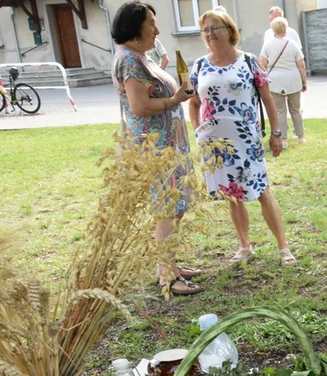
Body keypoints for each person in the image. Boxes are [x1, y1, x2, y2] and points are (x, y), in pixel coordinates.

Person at [188, 8, 298, 267]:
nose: (210, 34)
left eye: (215, 28)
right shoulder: (200, 65)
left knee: (262, 192)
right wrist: (198, 130)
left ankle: (283, 247)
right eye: (205, 30)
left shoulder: (248, 61)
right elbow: (193, 102)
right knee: (232, 195)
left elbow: (268, 100)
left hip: (246, 139)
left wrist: (276, 133)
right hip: (214, 144)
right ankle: (244, 245)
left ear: (230, 31)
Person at [110, 1, 202, 295]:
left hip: (170, 145)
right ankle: (168, 278)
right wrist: (175, 100)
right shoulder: (129, 61)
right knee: (166, 209)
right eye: (151, 23)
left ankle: (169, 266)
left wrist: (179, 96)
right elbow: (139, 106)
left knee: (174, 208)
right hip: (157, 150)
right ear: (135, 28)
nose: (157, 30)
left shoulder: (141, 57)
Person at [259, 17, 307, 149]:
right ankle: (301, 136)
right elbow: (301, 64)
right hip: (293, 79)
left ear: (273, 29)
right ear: (285, 28)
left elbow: (262, 64)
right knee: (295, 110)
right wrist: (304, 81)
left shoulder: (268, 45)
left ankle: (284, 139)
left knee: (280, 110)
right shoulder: (293, 44)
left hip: (275, 81)